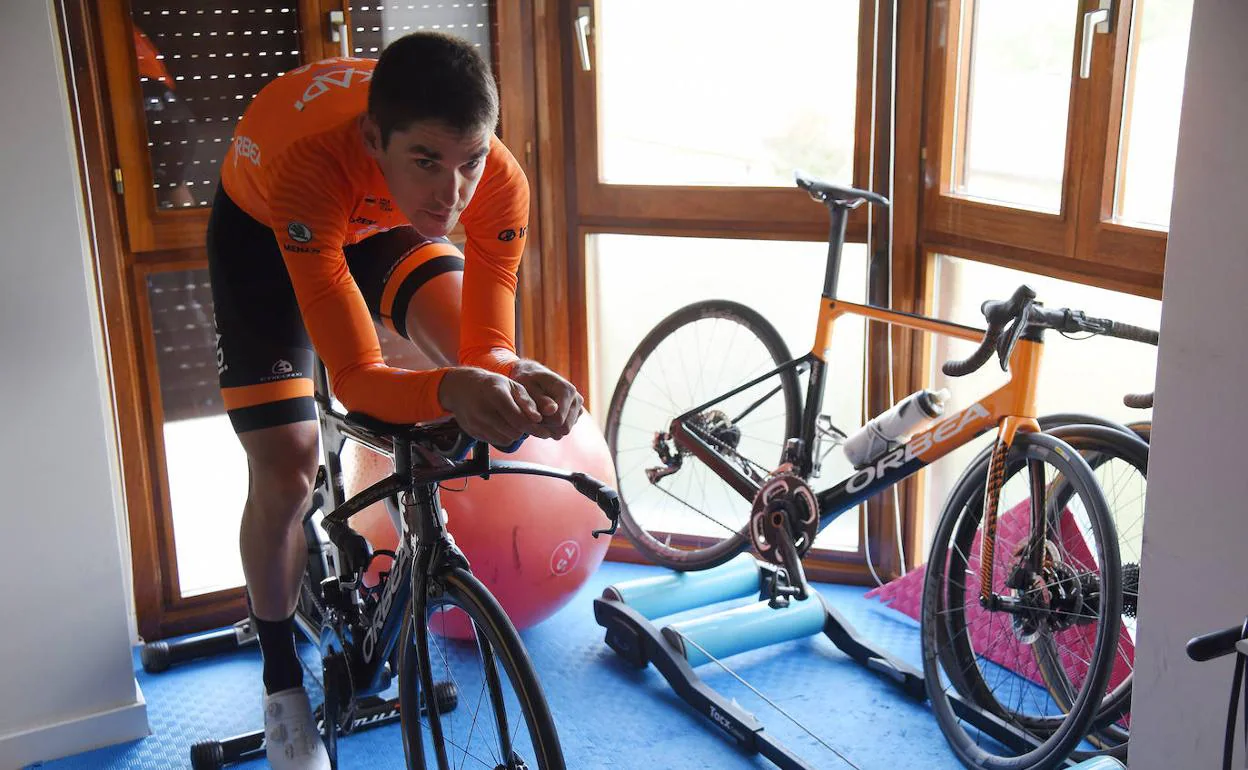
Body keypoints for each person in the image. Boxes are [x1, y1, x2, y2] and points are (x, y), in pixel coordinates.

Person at [207, 32, 582, 769]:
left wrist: (512, 373)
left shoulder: (495, 180)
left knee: (456, 349)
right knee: (287, 466)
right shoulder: (310, 167)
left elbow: (487, 348)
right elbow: (355, 376)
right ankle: (282, 686)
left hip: (381, 221)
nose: (454, 193)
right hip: (266, 230)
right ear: (376, 137)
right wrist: (452, 388)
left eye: (470, 162)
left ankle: (407, 571)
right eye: (429, 163)